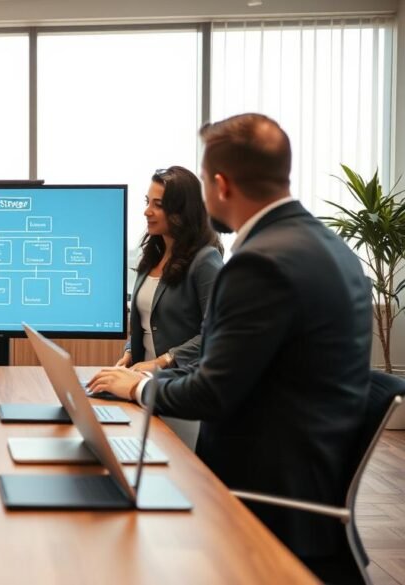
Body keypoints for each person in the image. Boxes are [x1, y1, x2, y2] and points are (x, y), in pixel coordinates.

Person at [89, 113, 372, 583]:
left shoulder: (259, 263)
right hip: (311, 487)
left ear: (220, 184)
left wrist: (139, 386)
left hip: (257, 497)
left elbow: (212, 392)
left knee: (111, 519)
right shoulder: (328, 246)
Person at [113, 165, 223, 448]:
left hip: (178, 392)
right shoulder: (151, 256)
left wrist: (164, 360)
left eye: (157, 205)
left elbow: (215, 332)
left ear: (181, 211)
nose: (147, 211)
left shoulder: (205, 260)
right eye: (147, 202)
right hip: (142, 390)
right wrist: (129, 354)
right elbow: (145, 322)